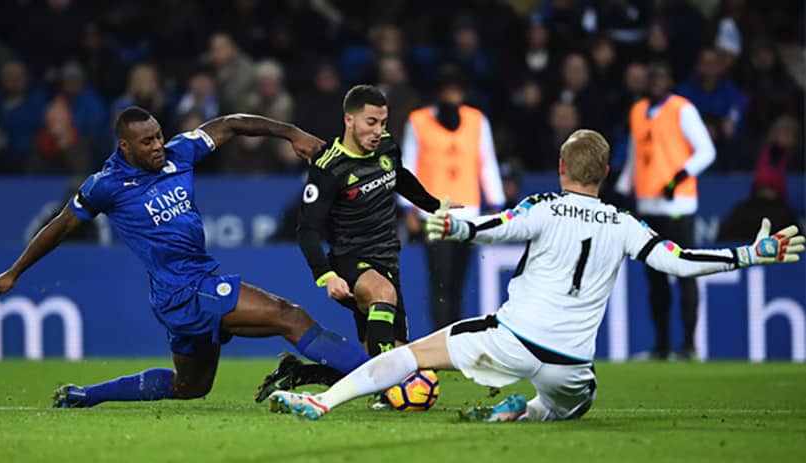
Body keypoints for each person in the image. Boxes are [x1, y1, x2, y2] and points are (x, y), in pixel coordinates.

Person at [265, 129, 804, 422]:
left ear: (562, 168)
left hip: (512, 342)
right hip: (572, 367)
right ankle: (522, 413)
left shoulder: (544, 207)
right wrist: (751, 254)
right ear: (606, 173)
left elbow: (492, 229)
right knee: (577, 401)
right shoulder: (625, 223)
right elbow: (679, 261)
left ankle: (322, 402)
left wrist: (453, 225)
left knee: (409, 356)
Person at [0, 106, 372, 408]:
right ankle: (385, 379)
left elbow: (231, 124)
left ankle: (86, 395)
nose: (157, 146)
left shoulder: (179, 153)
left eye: (158, 136)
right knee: (292, 317)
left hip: (180, 293)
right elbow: (61, 226)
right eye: (147, 142)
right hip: (187, 288)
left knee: (189, 386)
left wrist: (292, 133)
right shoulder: (106, 186)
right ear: (125, 147)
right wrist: (15, 272)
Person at [253, 85, 443, 404]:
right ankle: (387, 394)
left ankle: (301, 373)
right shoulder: (329, 167)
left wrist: (434, 206)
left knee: (391, 360)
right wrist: (327, 276)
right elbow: (307, 230)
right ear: (349, 120)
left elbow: (400, 177)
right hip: (349, 260)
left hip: (388, 259)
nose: (378, 130)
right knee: (383, 294)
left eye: (383, 122)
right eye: (371, 122)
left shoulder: (386, 146)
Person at [614, 61, 716, 360]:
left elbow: (706, 151)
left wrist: (679, 178)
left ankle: (689, 345)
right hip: (648, 206)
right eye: (651, 77)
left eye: (661, 77)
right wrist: (621, 189)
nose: (655, 82)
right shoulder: (638, 110)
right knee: (655, 279)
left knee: (685, 272)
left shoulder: (682, 109)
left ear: (670, 81)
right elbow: (635, 156)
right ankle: (661, 346)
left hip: (678, 206)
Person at [402, 66, 505, 331]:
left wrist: (495, 204)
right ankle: (440, 336)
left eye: (456, 90)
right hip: (433, 213)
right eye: (448, 90)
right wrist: (408, 209)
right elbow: (408, 164)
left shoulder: (477, 120)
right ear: (438, 92)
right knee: (441, 280)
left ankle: (454, 338)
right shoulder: (418, 121)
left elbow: (487, 161)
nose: (452, 96)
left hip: (469, 212)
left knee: (458, 282)